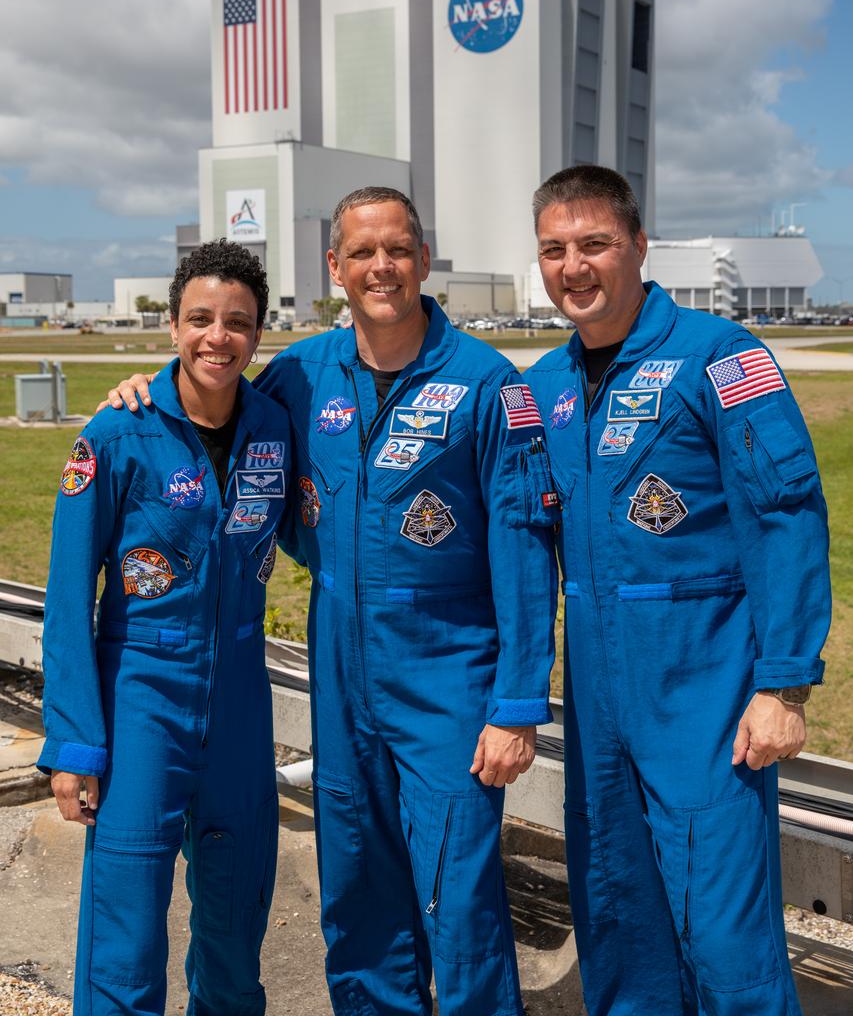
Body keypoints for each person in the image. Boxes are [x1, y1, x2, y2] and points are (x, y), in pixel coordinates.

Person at [108, 186, 559, 1016]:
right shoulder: (298, 377)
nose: (379, 267)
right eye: (361, 253)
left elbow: (525, 546)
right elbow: (213, 412)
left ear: (424, 260)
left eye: (396, 249)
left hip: (449, 666)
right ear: (335, 268)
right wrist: (141, 391)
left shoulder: (488, 384)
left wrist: (517, 700)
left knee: (456, 891)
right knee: (354, 879)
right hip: (341, 655)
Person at [526, 165, 832, 1016]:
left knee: (725, 937)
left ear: (637, 246)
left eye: (594, 244)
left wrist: (782, 683)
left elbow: (785, 515)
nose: (573, 266)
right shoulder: (543, 387)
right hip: (594, 700)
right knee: (617, 920)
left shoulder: (719, 357)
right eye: (554, 249)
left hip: (703, 694)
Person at [39, 240, 290, 1016]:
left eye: (238, 323)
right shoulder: (116, 435)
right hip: (143, 690)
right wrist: (75, 743)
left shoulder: (276, 427)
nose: (219, 338)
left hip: (243, 699)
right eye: (201, 320)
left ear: (258, 333)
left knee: (235, 916)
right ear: (173, 326)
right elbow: (66, 594)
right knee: (127, 921)